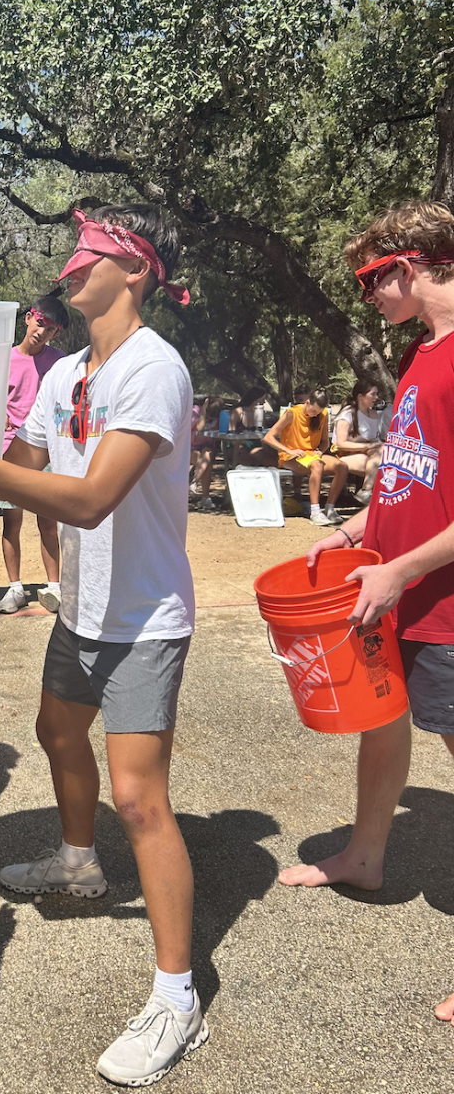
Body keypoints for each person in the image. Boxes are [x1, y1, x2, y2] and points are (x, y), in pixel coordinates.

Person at [0, 204, 207, 1087]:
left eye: (88, 253)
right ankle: (78, 863)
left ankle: (178, 998)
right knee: (56, 735)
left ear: (134, 270)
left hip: (143, 620)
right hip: (81, 610)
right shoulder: (67, 373)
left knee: (141, 799)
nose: (69, 266)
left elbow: (90, 497)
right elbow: (15, 453)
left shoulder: (153, 370)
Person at [277, 201, 454, 1028]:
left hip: (443, 605)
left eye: (370, 278)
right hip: (403, 593)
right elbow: (410, 470)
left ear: (412, 264)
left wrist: (403, 570)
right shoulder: (425, 352)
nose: (366, 296)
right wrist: (356, 532)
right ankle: (366, 855)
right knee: (384, 724)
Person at [0, 291, 67, 614]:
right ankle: (15, 588)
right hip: (11, 453)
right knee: (11, 522)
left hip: (48, 454)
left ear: (56, 334)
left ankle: (54, 588)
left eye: (50, 329)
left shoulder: (60, 362)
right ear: (28, 318)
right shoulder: (3, 360)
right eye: (40, 323)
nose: (42, 332)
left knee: (48, 523)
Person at [261, 388, 348, 526]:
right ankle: (315, 511)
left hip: (312, 455)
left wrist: (320, 450)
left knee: (342, 467)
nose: (315, 415)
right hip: (290, 457)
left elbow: (325, 441)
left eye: (318, 413)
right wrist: (289, 450)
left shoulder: (323, 414)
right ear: (307, 402)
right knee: (317, 465)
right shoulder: (292, 413)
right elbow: (268, 437)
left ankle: (330, 509)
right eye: (313, 411)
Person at [333, 378, 384, 505]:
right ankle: (367, 492)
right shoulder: (347, 414)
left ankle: (367, 493)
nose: (376, 397)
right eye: (373, 394)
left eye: (377, 394)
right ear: (360, 396)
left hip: (367, 454)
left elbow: (372, 440)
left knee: (384, 456)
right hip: (343, 455)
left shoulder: (373, 415)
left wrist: (372, 445)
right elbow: (341, 443)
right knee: (382, 467)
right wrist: (368, 446)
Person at [190, 396, 222, 509]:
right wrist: (203, 411)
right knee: (204, 461)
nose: (211, 417)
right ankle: (205, 497)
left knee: (207, 455)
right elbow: (199, 427)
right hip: (190, 447)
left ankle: (194, 481)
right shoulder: (195, 411)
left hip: (207, 446)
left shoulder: (219, 415)